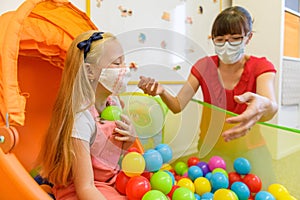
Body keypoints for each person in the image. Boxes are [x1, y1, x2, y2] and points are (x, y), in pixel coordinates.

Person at [138, 6, 278, 189]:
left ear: (248, 37)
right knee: (212, 189)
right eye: (220, 40)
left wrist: (264, 105)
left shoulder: (261, 66)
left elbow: (271, 107)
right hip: (213, 147)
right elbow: (178, 105)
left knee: (263, 190)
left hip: (251, 147)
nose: (227, 45)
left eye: (235, 39)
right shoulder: (204, 66)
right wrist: (162, 91)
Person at [37, 31, 136, 200]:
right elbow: (85, 188)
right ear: (90, 71)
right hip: (84, 190)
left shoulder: (114, 104)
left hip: (110, 182)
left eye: (124, 62)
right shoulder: (81, 119)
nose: (125, 69)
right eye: (116, 63)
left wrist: (129, 141)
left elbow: (107, 158)